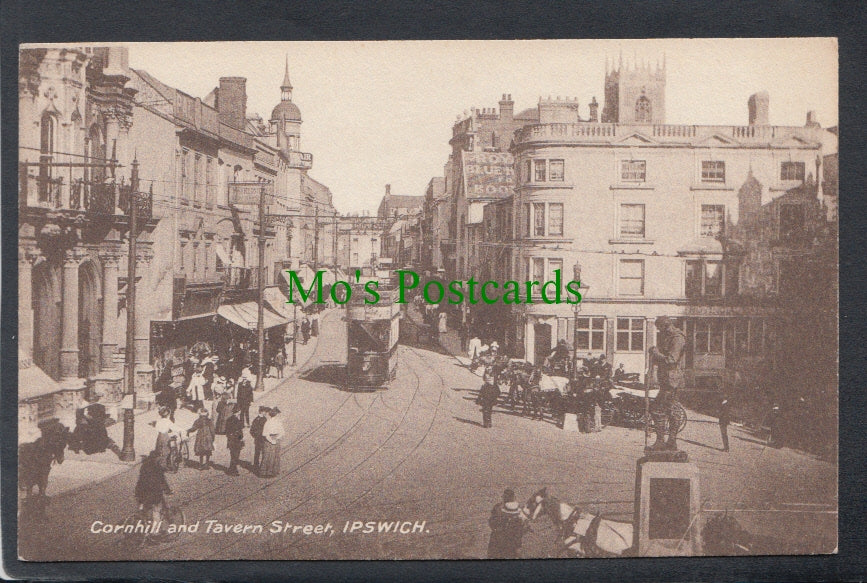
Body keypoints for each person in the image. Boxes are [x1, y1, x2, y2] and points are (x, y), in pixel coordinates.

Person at [648, 316, 686, 451]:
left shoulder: (677, 338)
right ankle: (669, 441)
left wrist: (656, 354)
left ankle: (664, 441)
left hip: (673, 381)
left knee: (658, 409)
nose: (659, 331)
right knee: (669, 410)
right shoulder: (668, 337)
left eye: (659, 328)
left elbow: (671, 359)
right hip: (668, 381)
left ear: (665, 326)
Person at [134, 450, 171, 533]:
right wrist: (167, 490)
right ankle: (154, 532)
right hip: (153, 492)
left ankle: (141, 526)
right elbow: (162, 480)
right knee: (156, 510)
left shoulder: (144, 465)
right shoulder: (158, 467)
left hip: (140, 491)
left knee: (144, 510)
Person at [487, 488, 527, 559]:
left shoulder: (497, 507)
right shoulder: (519, 510)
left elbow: (491, 523)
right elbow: (521, 529)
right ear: (514, 497)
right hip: (511, 542)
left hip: (498, 541)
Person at [153, 406, 185, 471]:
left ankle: (158, 463)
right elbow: (174, 427)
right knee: (166, 450)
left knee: (160, 449)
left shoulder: (159, 421)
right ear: (168, 415)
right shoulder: (168, 421)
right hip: (165, 436)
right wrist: (181, 430)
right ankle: (164, 465)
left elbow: (157, 428)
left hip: (159, 436)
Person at [260, 407, 284, 478]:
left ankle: (273, 471)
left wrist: (276, 438)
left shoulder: (277, 422)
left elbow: (282, 432)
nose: (278, 416)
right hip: (269, 440)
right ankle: (267, 472)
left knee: (275, 455)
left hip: (275, 439)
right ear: (275, 415)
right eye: (278, 415)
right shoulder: (268, 422)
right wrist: (272, 440)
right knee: (269, 456)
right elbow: (265, 434)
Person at [224, 406, 244, 476]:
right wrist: (241, 438)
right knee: (235, 456)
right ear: (238, 412)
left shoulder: (229, 419)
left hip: (231, 440)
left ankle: (232, 469)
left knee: (233, 455)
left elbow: (226, 431)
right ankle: (233, 470)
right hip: (236, 440)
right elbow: (238, 431)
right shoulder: (236, 420)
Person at [250, 406, 269, 472]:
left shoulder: (265, 419)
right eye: (265, 411)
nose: (266, 413)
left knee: (264, 452)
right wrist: (256, 436)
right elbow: (252, 430)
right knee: (257, 453)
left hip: (264, 438)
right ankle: (256, 466)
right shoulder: (256, 419)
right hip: (258, 439)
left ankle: (263, 466)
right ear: (261, 411)